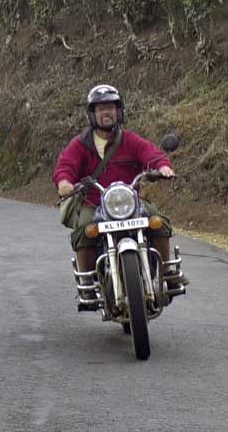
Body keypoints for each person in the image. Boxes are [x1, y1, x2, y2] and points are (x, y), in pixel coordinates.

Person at [53, 84, 187, 291]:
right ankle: (88, 283)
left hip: (128, 202)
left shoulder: (129, 139)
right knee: (85, 229)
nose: (106, 112)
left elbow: (150, 153)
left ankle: (167, 272)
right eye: (100, 108)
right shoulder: (80, 144)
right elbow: (65, 167)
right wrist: (64, 183)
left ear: (118, 111)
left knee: (158, 221)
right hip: (95, 203)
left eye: (111, 108)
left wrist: (162, 167)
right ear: (93, 114)